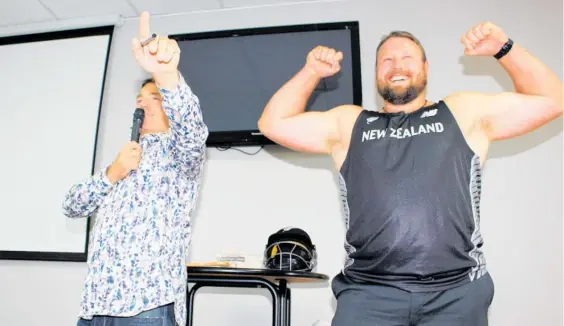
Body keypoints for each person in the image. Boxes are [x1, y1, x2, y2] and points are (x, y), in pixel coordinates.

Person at [258, 21, 562, 326]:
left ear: (426, 67)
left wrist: (503, 48)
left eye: (407, 58)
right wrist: (311, 72)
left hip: (456, 293)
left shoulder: (463, 112)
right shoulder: (350, 125)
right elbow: (272, 124)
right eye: (386, 61)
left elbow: (553, 100)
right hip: (368, 293)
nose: (396, 66)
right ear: (377, 71)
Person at [62, 11, 208, 326]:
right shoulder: (122, 159)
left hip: (147, 306)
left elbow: (193, 132)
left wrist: (166, 76)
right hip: (95, 306)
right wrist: (111, 174)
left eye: (153, 97)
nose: (142, 103)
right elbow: (71, 205)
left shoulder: (179, 154)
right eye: (139, 98)